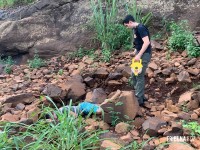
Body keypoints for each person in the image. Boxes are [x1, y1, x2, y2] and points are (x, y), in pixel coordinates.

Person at [123, 15, 152, 106]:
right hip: (139, 53)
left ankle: (139, 100)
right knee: (134, 74)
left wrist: (139, 55)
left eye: (127, 25)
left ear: (130, 22)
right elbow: (139, 43)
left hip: (145, 54)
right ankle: (140, 95)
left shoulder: (141, 28)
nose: (127, 27)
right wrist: (135, 52)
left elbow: (147, 42)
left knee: (139, 75)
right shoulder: (135, 29)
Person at [46, 90, 121, 120]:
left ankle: (111, 98)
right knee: (99, 107)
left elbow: (74, 116)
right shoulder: (60, 113)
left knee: (99, 111)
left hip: (83, 107)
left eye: (53, 117)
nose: (55, 119)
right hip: (83, 110)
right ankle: (110, 99)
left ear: (53, 113)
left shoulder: (62, 111)